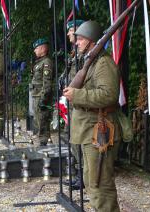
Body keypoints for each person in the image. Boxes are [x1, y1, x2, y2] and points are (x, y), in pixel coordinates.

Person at [63, 20, 121, 211]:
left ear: (91, 41)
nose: (76, 42)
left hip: (98, 129)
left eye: (80, 39)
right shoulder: (91, 62)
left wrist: (77, 95)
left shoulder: (103, 63)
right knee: (91, 181)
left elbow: (109, 95)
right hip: (89, 130)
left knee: (100, 185)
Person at [60, 19, 85, 190]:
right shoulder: (74, 53)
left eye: (71, 31)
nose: (69, 33)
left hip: (78, 103)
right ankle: (77, 173)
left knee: (78, 140)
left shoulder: (83, 55)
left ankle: (83, 176)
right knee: (71, 139)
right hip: (71, 101)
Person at [31, 38, 54, 146]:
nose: (34, 51)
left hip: (41, 96)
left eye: (36, 48)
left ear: (42, 48)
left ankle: (44, 144)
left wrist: (43, 99)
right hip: (36, 95)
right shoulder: (39, 62)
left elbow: (47, 83)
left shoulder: (46, 63)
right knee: (39, 121)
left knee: (43, 122)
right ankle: (42, 142)